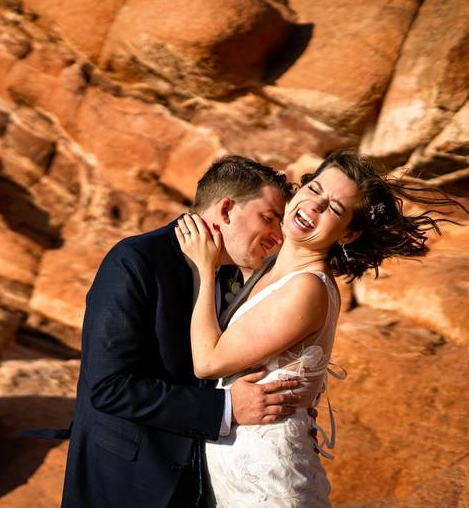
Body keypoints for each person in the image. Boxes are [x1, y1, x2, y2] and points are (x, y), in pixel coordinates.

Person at [176, 150, 469, 507]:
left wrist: (204, 270)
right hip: (233, 473)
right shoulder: (267, 268)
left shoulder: (308, 288)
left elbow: (208, 361)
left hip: (270, 482)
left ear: (348, 234)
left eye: (333, 208)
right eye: (314, 189)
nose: (314, 206)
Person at [59, 156, 304, 508]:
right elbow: (108, 387)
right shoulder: (134, 260)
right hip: (126, 483)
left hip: (204, 485)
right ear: (225, 210)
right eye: (268, 217)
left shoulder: (232, 274)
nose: (278, 235)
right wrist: (225, 408)